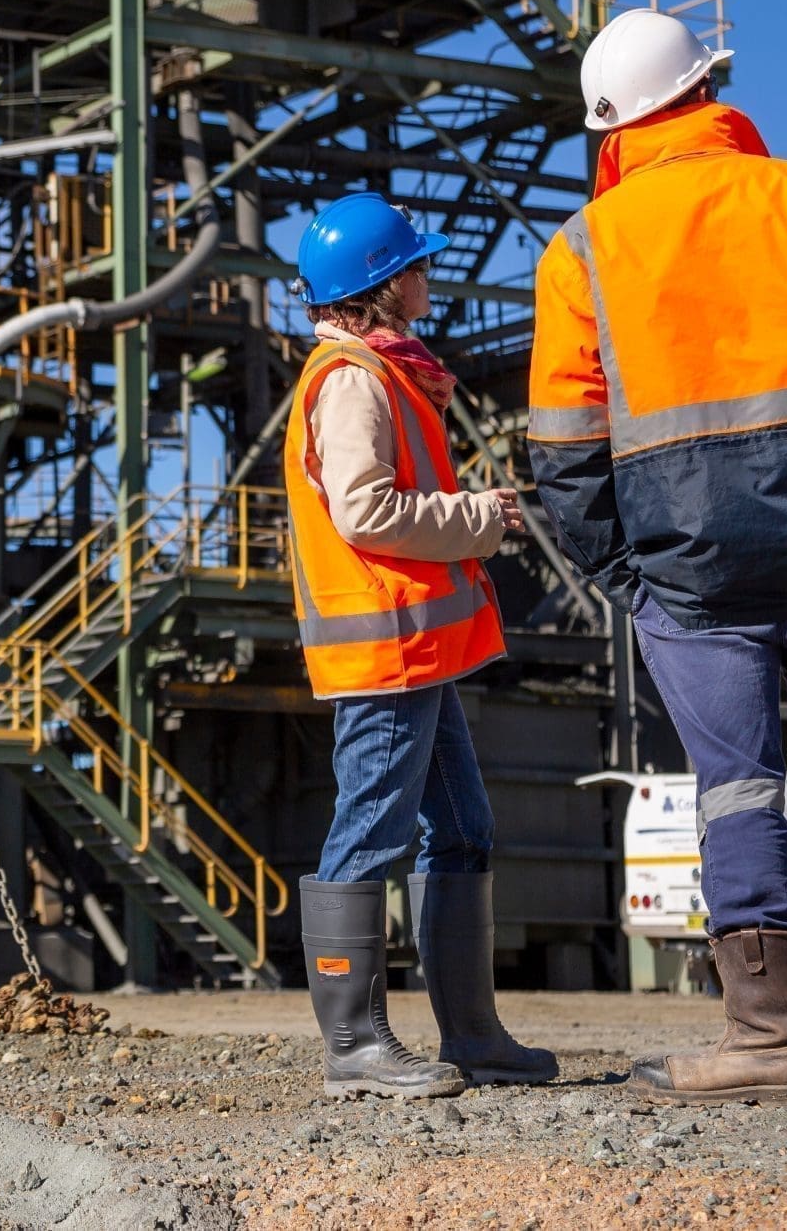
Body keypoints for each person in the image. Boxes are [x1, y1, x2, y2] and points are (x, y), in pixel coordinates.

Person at [527, 9, 787, 1106]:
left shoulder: (580, 250)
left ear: (613, 127)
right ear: (710, 92)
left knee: (734, 796)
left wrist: (631, 579)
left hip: (691, 579)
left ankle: (766, 1046)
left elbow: (565, 462)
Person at [284, 193, 559, 1099]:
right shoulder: (354, 377)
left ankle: (473, 1037)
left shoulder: (387, 372)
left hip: (417, 654)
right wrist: (477, 518)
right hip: (387, 652)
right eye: (417, 264)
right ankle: (354, 1048)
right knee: (371, 828)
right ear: (383, 283)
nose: (428, 274)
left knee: (465, 828)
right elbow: (365, 510)